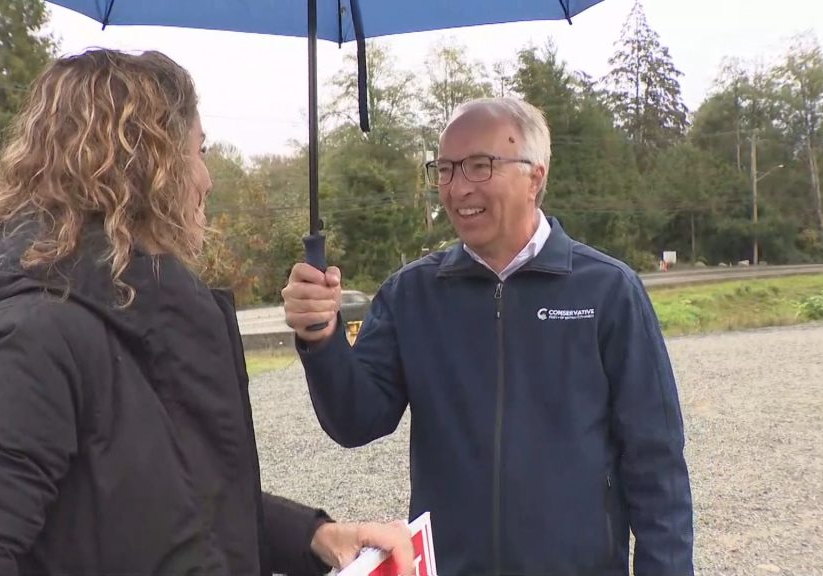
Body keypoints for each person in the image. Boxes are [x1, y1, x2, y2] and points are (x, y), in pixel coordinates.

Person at [0, 49, 414, 576]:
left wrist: (312, 536)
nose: (207, 179)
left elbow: (167, 511)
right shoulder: (37, 335)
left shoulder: (134, 312)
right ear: (149, 163)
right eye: (199, 151)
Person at [282, 97, 694, 576]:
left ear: (535, 177)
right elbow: (356, 420)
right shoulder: (412, 295)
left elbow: (657, 467)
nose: (458, 188)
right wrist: (322, 336)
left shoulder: (607, 290)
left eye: (480, 166)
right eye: (446, 169)